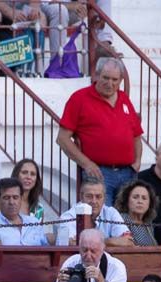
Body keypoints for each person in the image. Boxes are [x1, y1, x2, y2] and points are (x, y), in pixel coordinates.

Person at [57, 57, 142, 203]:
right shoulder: (79, 98)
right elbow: (63, 139)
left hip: (128, 173)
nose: (110, 83)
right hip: (99, 173)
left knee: (126, 221)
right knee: (103, 219)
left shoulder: (124, 98)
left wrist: (137, 161)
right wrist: (86, 163)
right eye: (106, 78)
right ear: (96, 75)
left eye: (115, 80)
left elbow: (136, 135)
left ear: (121, 80)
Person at [0, 177, 48, 246]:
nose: (11, 202)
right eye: (6, 198)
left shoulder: (34, 222)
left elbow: (45, 249)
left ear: (21, 199)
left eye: (15, 197)